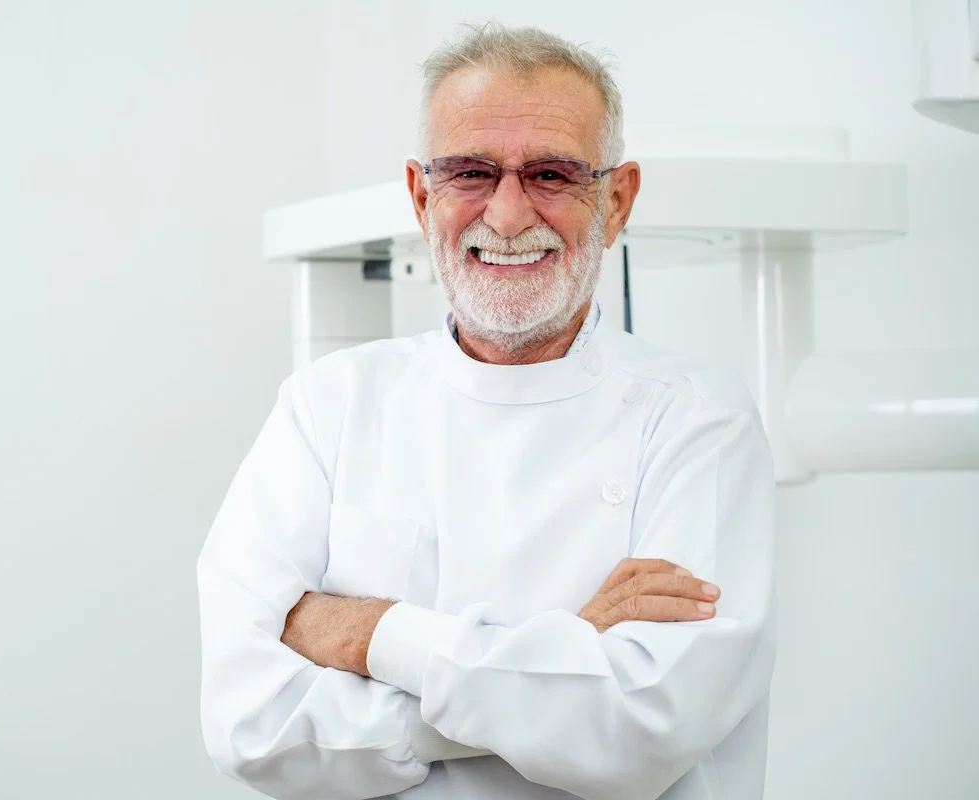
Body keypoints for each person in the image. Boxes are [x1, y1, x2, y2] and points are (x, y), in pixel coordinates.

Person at [197, 22, 777, 800]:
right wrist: (561, 658)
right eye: (469, 172)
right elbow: (251, 726)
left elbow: (641, 727)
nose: (506, 216)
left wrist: (370, 633)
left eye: (551, 174)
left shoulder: (697, 419)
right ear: (420, 195)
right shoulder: (327, 405)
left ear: (616, 200)